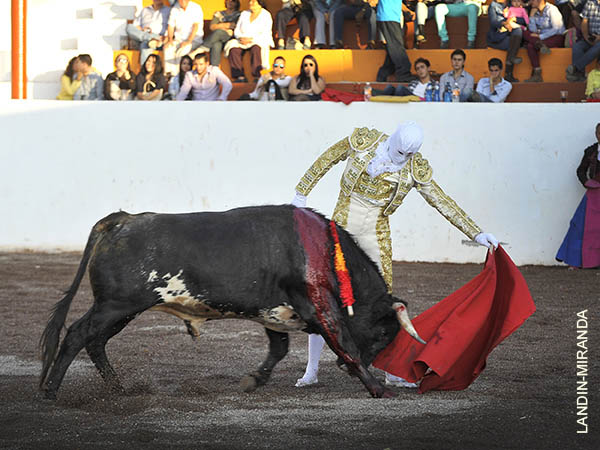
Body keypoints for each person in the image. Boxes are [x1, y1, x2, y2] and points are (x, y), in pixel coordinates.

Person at [291, 121, 499, 387]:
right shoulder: (363, 142)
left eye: (409, 155)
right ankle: (312, 370)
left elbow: (441, 200)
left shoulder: (413, 167)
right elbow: (327, 159)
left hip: (376, 234)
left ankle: (391, 372)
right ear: (393, 141)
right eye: (401, 153)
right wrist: (301, 192)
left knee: (384, 304)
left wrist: (476, 232)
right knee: (324, 298)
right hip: (341, 229)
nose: (404, 159)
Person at [556, 123, 600, 269]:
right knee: (579, 226)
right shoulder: (591, 151)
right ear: (596, 134)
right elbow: (581, 171)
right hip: (594, 193)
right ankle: (577, 261)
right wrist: (587, 182)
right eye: (598, 133)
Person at [225, 0, 274, 83]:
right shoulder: (244, 13)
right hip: (242, 40)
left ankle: (256, 76)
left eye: (254, 2)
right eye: (250, 1)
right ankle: (240, 76)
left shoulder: (266, 15)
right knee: (233, 50)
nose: (251, 3)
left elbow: (266, 31)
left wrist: (251, 39)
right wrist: (240, 37)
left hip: (258, 39)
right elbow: (237, 29)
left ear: (260, 4)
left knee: (256, 49)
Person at [522, 0, 565, 83]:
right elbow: (533, 30)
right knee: (523, 33)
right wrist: (531, 16)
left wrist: (540, 36)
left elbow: (557, 28)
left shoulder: (552, 9)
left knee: (531, 45)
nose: (530, 2)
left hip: (555, 37)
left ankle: (537, 74)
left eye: (532, 0)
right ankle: (539, 46)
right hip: (541, 39)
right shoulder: (535, 11)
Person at [376, 0, 414, 82]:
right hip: (388, 16)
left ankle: (382, 75)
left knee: (394, 46)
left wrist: (407, 10)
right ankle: (403, 74)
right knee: (397, 46)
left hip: (391, 16)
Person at [164, 0, 204, 75]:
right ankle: (169, 76)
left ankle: (177, 77)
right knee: (168, 48)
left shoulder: (196, 7)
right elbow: (171, 26)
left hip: (193, 40)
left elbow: (195, 27)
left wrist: (188, 41)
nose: (182, 1)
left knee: (181, 52)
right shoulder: (175, 9)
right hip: (178, 40)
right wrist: (170, 40)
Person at [196, 0, 242, 66]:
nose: (230, 2)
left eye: (233, 1)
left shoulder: (240, 14)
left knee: (218, 31)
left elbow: (235, 27)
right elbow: (212, 27)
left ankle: (202, 48)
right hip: (218, 39)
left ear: (237, 3)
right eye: (228, 0)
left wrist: (219, 26)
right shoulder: (219, 13)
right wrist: (227, 26)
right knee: (216, 44)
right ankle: (214, 68)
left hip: (231, 40)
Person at [487, 0, 524, 82]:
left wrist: (514, 19)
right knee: (512, 43)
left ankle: (510, 62)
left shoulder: (514, 4)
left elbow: (524, 19)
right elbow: (493, 22)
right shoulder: (493, 6)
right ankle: (509, 73)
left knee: (518, 31)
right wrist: (505, 23)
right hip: (499, 37)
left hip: (512, 36)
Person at [126, 0, 171, 66]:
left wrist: (167, 37)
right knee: (129, 27)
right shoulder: (145, 10)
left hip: (160, 39)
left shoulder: (168, 10)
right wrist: (142, 29)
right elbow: (136, 25)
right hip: (146, 36)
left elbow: (172, 26)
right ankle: (151, 38)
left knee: (145, 45)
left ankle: (144, 73)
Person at [566, 0, 600, 82]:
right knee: (577, 47)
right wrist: (587, 37)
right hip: (590, 37)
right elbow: (584, 22)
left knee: (598, 46)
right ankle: (579, 76)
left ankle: (576, 68)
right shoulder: (590, 3)